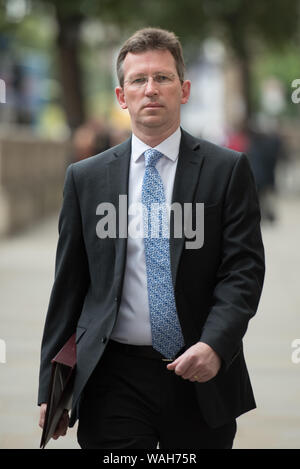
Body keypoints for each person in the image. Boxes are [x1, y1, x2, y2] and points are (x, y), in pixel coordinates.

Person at [38, 28, 265, 449]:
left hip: (200, 373)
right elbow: (69, 285)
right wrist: (50, 388)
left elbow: (243, 272)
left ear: (184, 89)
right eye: (138, 80)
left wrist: (215, 344)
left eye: (162, 77)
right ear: (122, 97)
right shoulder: (85, 179)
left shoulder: (227, 170)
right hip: (112, 376)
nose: (151, 89)